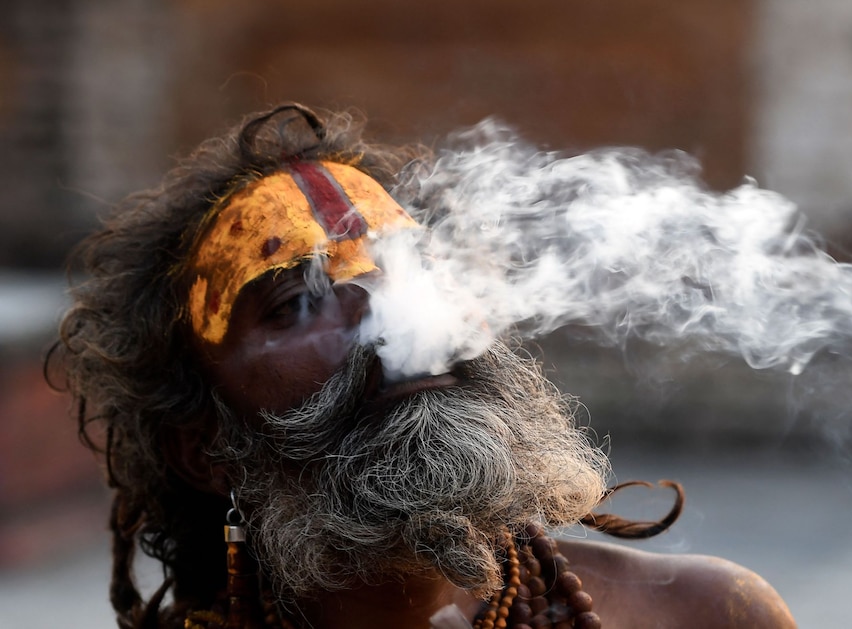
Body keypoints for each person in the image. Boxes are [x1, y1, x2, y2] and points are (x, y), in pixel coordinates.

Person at [48, 103, 797, 629]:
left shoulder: (708, 616)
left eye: (407, 267)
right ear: (206, 448)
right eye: (297, 301)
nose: (382, 312)